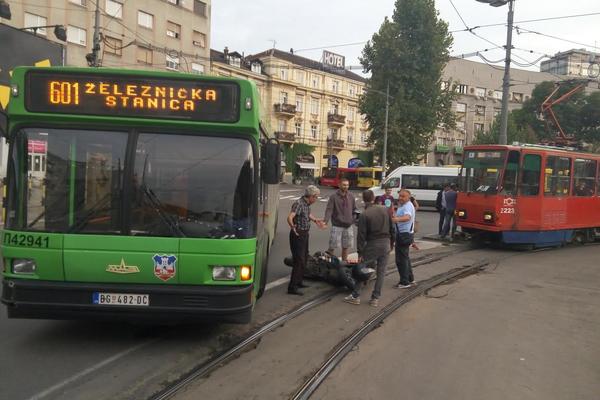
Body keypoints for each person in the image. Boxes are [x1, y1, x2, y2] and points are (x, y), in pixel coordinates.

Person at [344, 190, 395, 307]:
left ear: (363, 199)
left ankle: (356, 295)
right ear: (373, 198)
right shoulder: (385, 210)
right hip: (386, 243)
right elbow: (393, 228)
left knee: (361, 268)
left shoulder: (364, 214)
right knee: (381, 272)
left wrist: (360, 252)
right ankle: (375, 298)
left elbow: (361, 236)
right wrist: (392, 242)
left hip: (373, 243)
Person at [287, 185, 326, 295]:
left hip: (304, 234)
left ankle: (299, 282)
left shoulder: (306, 204)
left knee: (304, 258)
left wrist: (315, 220)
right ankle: (292, 287)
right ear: (311, 196)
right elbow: (290, 217)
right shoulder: (299, 204)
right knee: (298, 260)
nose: (317, 199)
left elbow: (307, 215)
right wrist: (292, 226)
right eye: (316, 197)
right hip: (298, 234)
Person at [324, 178, 357, 261]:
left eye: (347, 185)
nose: (346, 186)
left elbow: (354, 209)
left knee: (346, 247)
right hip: (337, 225)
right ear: (339, 185)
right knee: (332, 247)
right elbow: (329, 209)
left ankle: (344, 263)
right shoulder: (333, 197)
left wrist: (353, 219)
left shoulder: (351, 196)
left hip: (348, 226)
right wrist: (325, 221)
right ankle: (327, 264)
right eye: (344, 185)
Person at [392, 189, 416, 289]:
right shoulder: (406, 205)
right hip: (406, 234)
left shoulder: (407, 206)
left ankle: (404, 282)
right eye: (400, 196)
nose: (400, 198)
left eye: (403, 196)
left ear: (408, 197)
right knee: (405, 258)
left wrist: (396, 219)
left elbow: (407, 217)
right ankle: (410, 279)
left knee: (401, 259)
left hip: (404, 235)